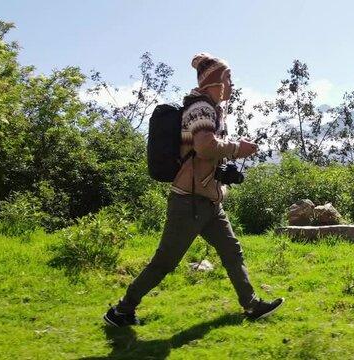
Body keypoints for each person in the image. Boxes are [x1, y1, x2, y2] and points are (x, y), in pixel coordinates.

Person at [103, 53, 284, 327]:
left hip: (209, 200)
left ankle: (252, 304)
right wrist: (238, 148)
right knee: (164, 262)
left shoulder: (211, 109)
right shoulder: (201, 108)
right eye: (228, 78)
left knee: (232, 252)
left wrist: (226, 165)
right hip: (189, 202)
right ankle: (121, 311)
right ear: (216, 82)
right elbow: (204, 146)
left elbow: (206, 153)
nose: (232, 84)